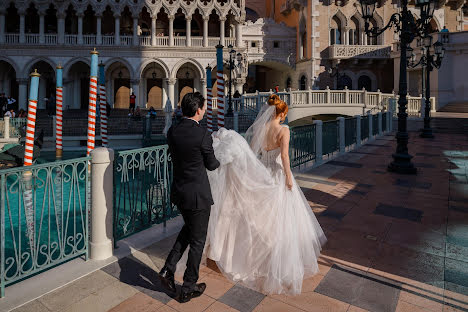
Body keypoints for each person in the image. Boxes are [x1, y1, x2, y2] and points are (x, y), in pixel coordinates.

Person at [205, 94, 326, 295]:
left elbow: (252, 155)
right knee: (281, 220)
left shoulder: (261, 129)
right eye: (285, 114)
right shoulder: (284, 130)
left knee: (259, 218)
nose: (285, 117)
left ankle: (254, 255)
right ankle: (275, 261)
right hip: (278, 175)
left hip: (263, 173)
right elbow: (285, 156)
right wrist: (288, 177)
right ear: (282, 113)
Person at [158, 92, 220, 303]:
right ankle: (188, 286)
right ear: (198, 110)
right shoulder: (202, 134)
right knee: (197, 240)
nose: (204, 110)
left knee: (188, 231)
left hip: (180, 192)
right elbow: (212, 164)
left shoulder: (172, 131)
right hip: (198, 196)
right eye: (203, 107)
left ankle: (168, 269)